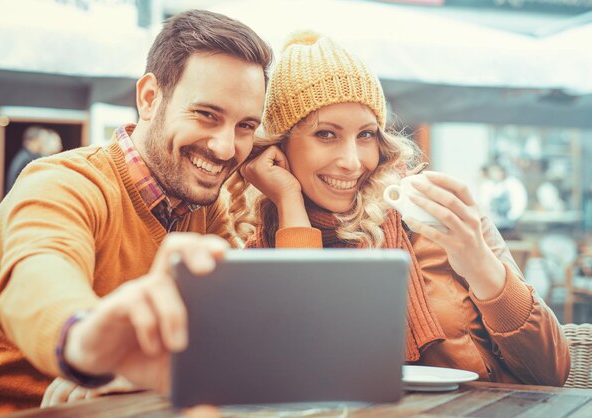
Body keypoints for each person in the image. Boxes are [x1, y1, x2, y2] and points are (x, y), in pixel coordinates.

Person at [0, 9, 271, 416]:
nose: (225, 147)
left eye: (246, 126)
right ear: (149, 98)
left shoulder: (206, 209)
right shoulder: (63, 182)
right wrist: (90, 342)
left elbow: (231, 331)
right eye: (206, 114)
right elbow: (35, 277)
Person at [229, 32, 570, 386]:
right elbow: (305, 366)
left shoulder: (432, 211)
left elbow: (553, 371)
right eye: (326, 134)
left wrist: (480, 264)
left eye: (365, 135)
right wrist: (289, 202)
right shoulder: (260, 236)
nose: (352, 161)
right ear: (281, 145)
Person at [4, 126, 48, 194]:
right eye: (42, 140)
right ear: (35, 140)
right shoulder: (27, 160)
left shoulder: (23, 156)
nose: (44, 143)